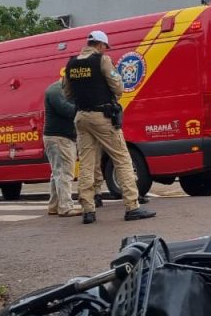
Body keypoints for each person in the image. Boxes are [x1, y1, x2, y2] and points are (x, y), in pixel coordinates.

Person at [63, 30, 155, 225]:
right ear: (100, 45)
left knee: (87, 163)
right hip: (102, 116)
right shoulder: (102, 60)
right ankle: (132, 206)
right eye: (105, 46)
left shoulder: (71, 63)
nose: (105, 49)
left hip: (81, 117)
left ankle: (88, 210)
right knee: (122, 159)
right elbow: (118, 87)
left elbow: (67, 93)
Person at [42, 77, 83, 217]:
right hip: (59, 138)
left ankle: (54, 205)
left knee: (57, 173)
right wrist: (82, 105)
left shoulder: (63, 90)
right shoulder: (55, 90)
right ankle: (66, 207)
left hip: (58, 137)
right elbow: (67, 110)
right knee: (65, 173)